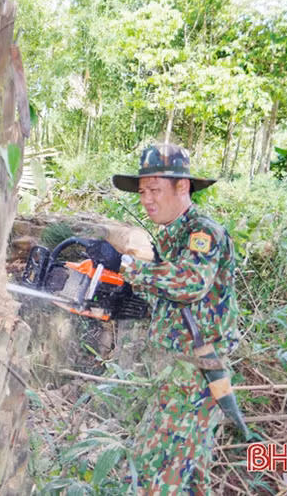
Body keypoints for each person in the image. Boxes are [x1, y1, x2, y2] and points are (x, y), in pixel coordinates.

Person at [94, 143, 241, 495]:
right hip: (179, 370)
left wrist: (125, 265)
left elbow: (190, 283)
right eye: (143, 191)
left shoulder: (202, 233)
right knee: (185, 474)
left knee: (158, 474)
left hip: (196, 375)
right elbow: (167, 291)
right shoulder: (172, 236)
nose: (146, 199)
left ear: (183, 187)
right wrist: (125, 294)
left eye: (155, 189)